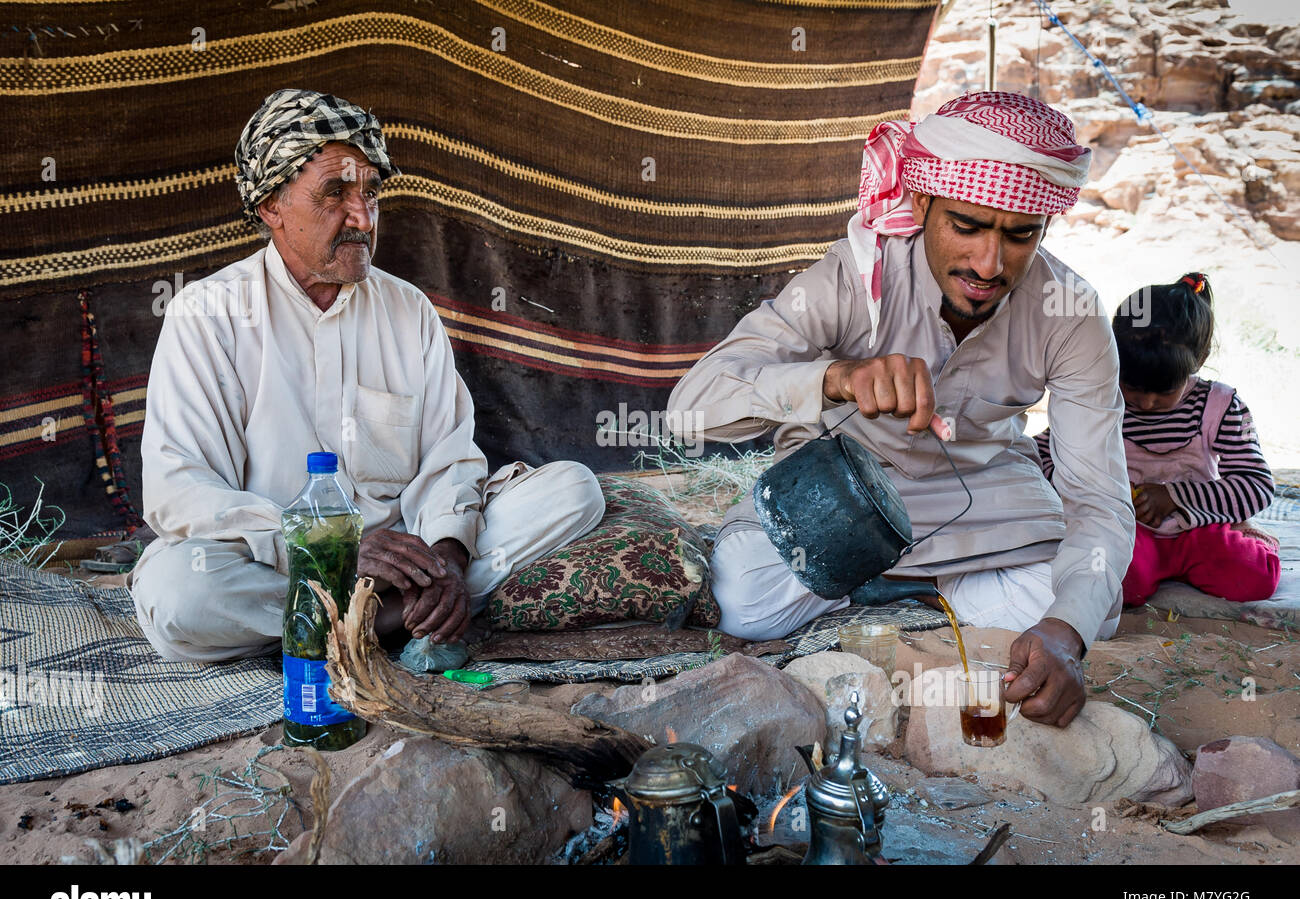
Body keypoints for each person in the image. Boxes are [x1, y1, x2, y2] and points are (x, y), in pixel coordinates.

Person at [668, 91, 1136, 728]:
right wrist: (835, 378)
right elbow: (691, 409)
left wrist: (1062, 632)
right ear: (921, 204)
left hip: (985, 498)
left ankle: (887, 585)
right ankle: (932, 585)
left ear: (1044, 229)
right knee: (741, 598)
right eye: (966, 226)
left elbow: (1098, 497)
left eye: (1019, 235)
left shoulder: (1071, 313)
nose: (988, 264)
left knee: (1090, 608)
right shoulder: (854, 278)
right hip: (841, 492)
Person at [129, 89, 605, 663]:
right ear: (270, 206)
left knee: (574, 490)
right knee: (179, 594)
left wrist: (449, 559)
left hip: (404, 567)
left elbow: (449, 459)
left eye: (371, 194)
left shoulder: (408, 311)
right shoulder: (208, 315)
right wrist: (328, 544)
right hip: (280, 567)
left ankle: (409, 610)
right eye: (335, 193)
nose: (362, 217)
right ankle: (386, 625)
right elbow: (178, 490)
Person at [1036, 273, 1279, 606]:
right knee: (1118, 582)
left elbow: (1256, 485)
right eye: (1133, 387)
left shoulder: (1221, 406)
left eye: (1164, 391)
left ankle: (1247, 542)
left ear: (1200, 359)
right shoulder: (1102, 400)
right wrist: (1084, 491)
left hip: (1200, 529)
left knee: (1255, 576)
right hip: (1130, 532)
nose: (1147, 403)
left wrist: (1174, 497)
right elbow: (1043, 451)